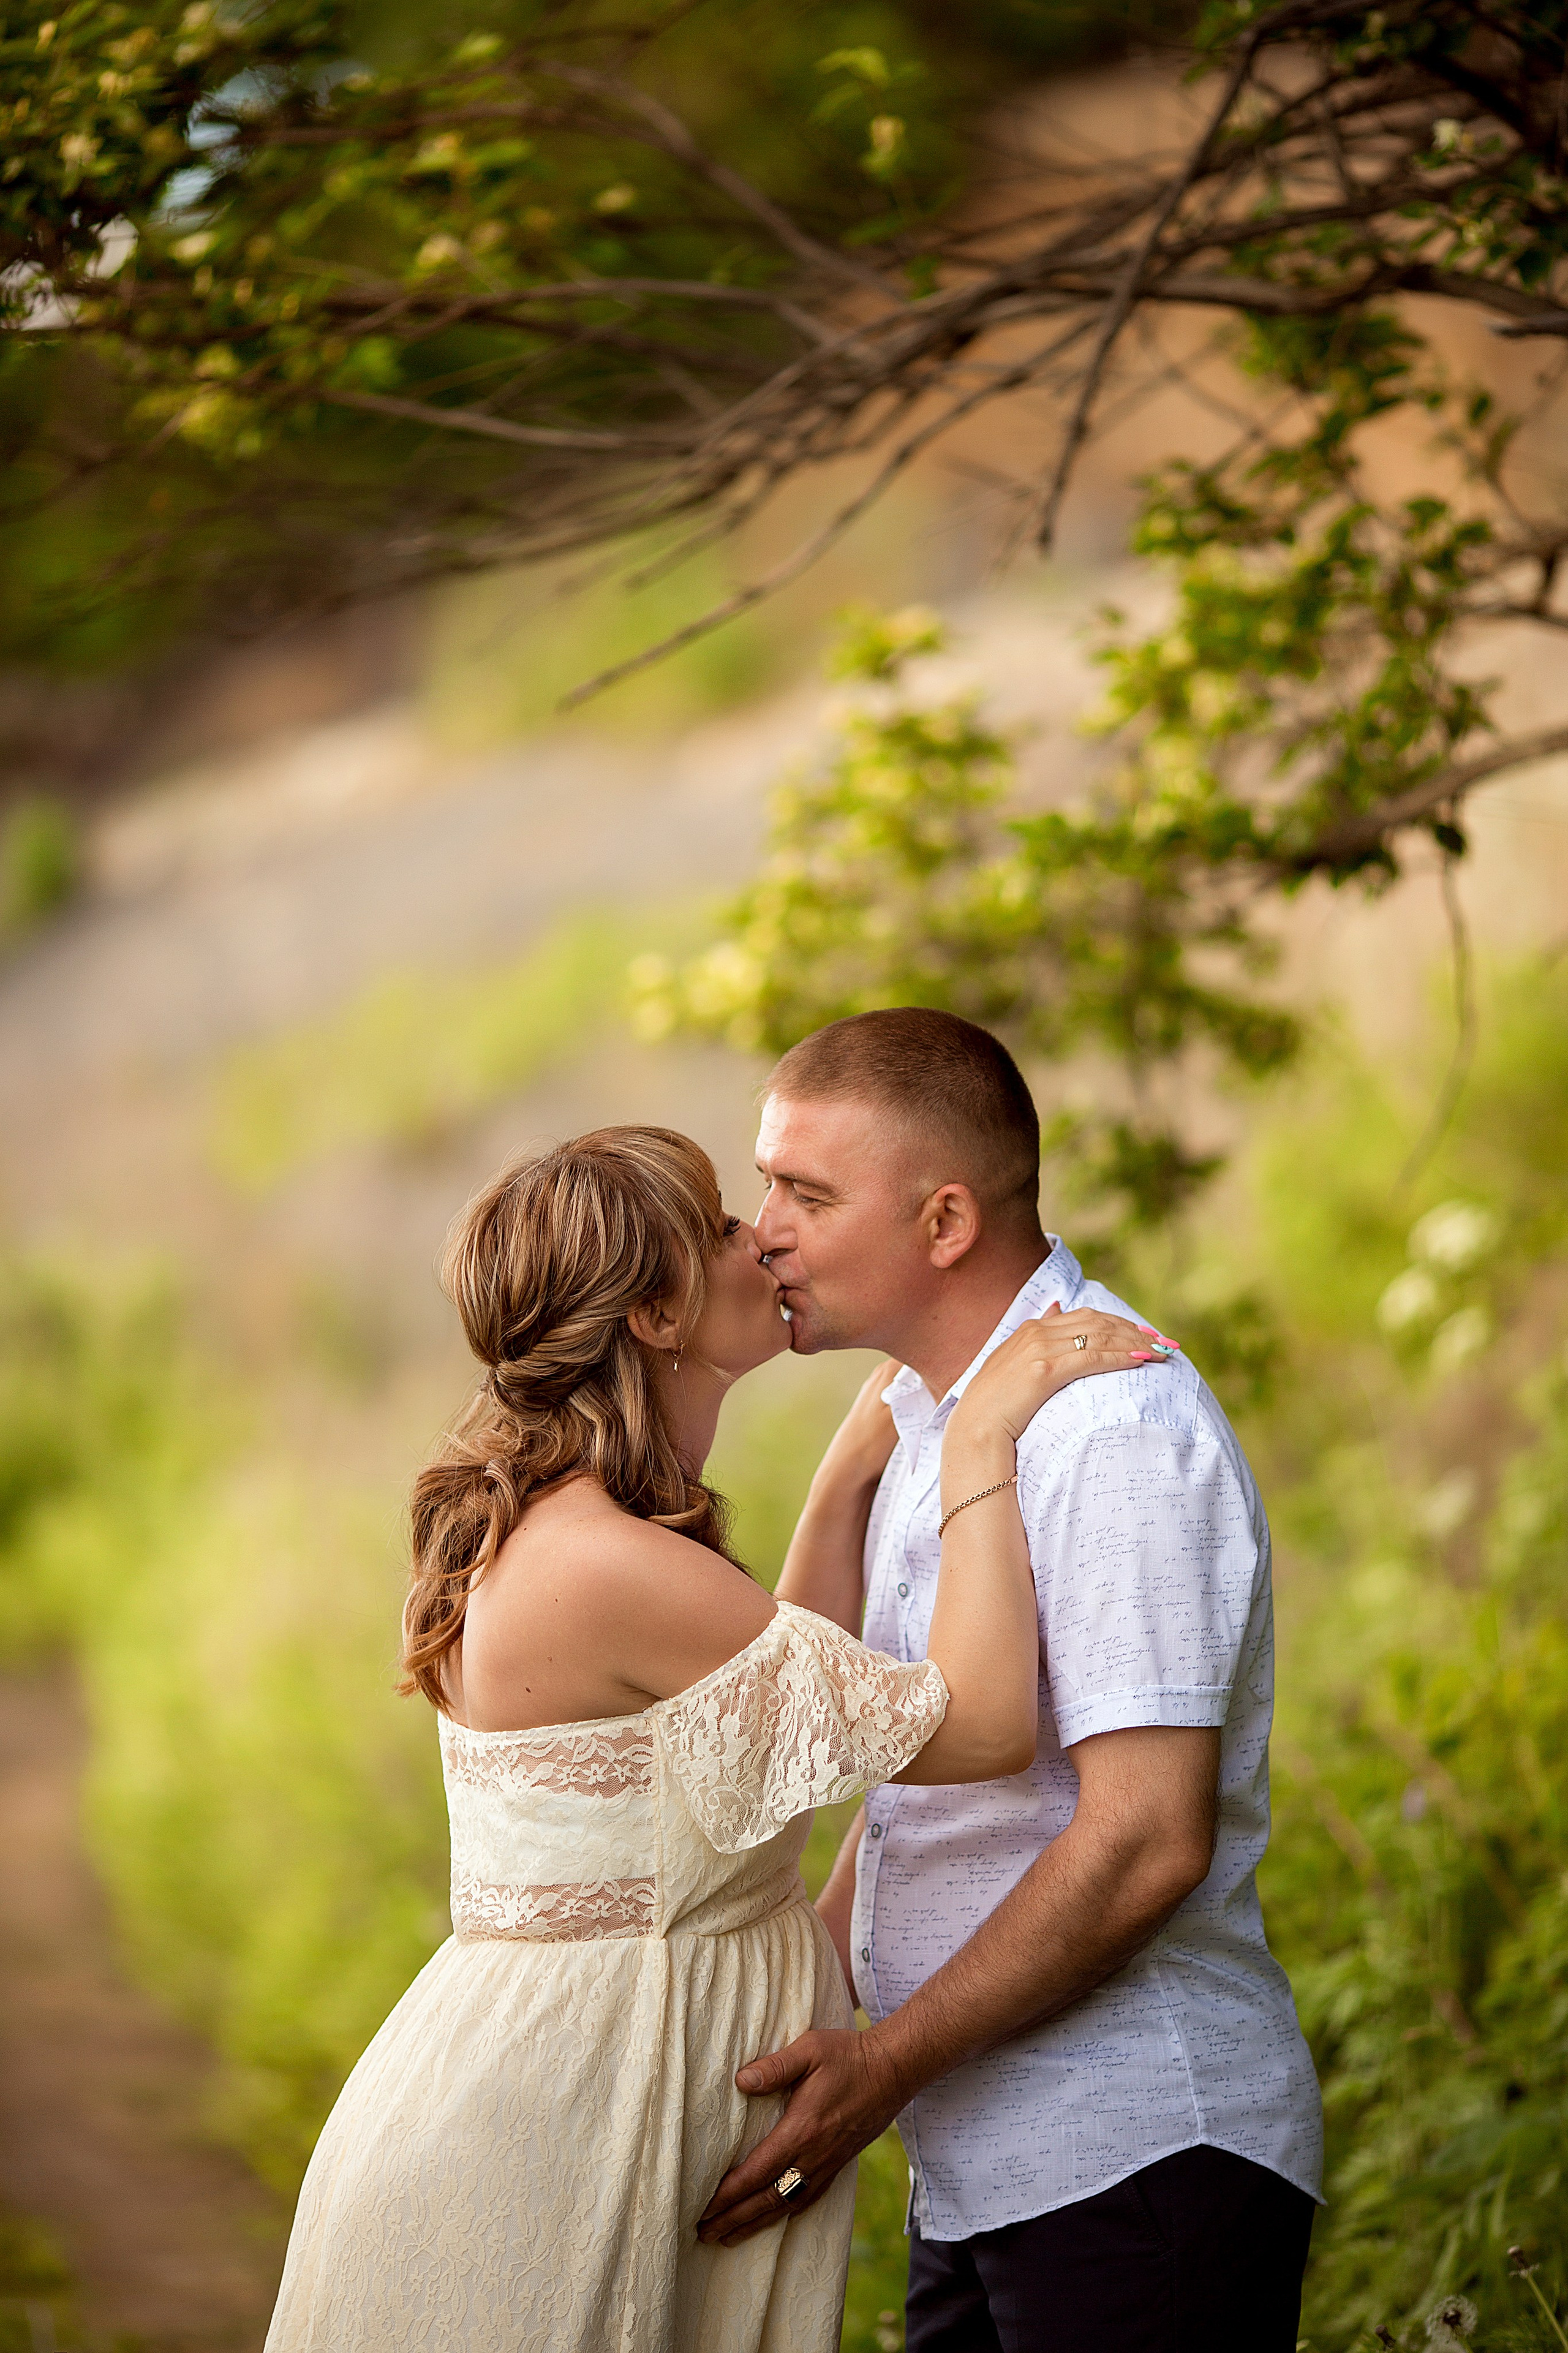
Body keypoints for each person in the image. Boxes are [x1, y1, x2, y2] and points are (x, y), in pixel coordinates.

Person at [263, 1124, 1149, 2353]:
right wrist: (981, 1437)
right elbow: (985, 1723)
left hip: (569, 2091)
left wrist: (847, 1472)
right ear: (654, 1313)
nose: (763, 1237)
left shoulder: (576, 1533)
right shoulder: (606, 1564)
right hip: (561, 2133)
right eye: (725, 1225)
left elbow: (780, 1720)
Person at [696, 1010, 1324, 2353]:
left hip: (1136, 2156)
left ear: (944, 1222)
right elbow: (924, 1803)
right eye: (764, 1186)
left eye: (807, 1194)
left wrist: (883, 2061)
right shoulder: (935, 1416)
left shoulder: (1109, 1428)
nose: (762, 1233)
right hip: (986, 2159)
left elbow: (1147, 1837)